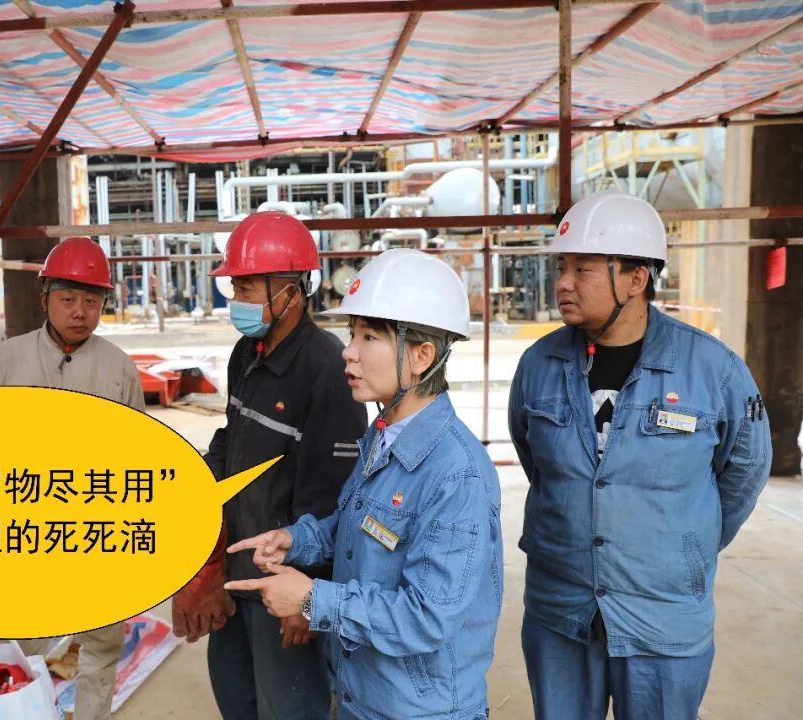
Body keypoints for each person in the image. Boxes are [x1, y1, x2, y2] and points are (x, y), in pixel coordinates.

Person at [508, 190, 773, 720]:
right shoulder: (538, 364)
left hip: (662, 618)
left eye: (583, 269)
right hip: (561, 613)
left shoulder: (712, 369)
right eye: (562, 267)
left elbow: (745, 468)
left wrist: (687, 543)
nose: (563, 283)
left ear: (636, 278)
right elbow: (536, 462)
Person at [225, 248, 503, 720]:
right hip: (362, 695)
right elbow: (357, 525)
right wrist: (296, 540)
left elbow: (427, 617)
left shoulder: (458, 474)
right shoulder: (383, 433)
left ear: (421, 356)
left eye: (369, 337)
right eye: (352, 333)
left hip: (420, 711)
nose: (349, 351)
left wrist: (312, 599)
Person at [174, 211, 367, 720]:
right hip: (238, 572)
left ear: (291, 291)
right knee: (237, 700)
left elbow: (333, 498)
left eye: (245, 287)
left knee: (290, 708)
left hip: (286, 585)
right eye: (234, 286)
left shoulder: (327, 370)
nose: (235, 300)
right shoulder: (247, 353)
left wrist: (308, 595)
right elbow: (231, 442)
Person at [0, 236, 144, 720]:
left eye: (91, 301)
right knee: (22, 640)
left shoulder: (118, 367)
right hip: (23, 524)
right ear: (44, 299)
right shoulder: (7, 359)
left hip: (97, 525)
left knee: (102, 641)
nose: (79, 312)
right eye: (68, 299)